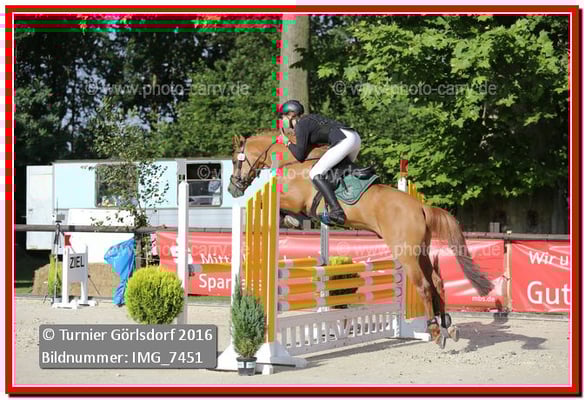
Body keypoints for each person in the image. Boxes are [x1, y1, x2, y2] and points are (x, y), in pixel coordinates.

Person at [279, 99, 370, 226]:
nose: (282, 121)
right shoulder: (308, 120)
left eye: (283, 117)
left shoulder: (301, 125)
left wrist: (287, 142)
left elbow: (300, 155)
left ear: (291, 115)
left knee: (315, 173)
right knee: (336, 173)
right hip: (354, 137)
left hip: (344, 140)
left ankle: (337, 211)